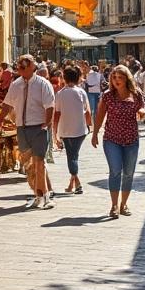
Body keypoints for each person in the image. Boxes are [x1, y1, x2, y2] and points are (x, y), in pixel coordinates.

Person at [0, 55, 57, 209]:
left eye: (24, 66)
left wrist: (47, 123)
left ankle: (45, 196)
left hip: (38, 127)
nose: (20, 69)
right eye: (19, 66)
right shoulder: (16, 84)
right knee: (29, 164)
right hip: (22, 128)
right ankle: (39, 195)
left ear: (33, 67)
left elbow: (50, 105)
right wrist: (0, 118)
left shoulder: (43, 84)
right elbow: (7, 103)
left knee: (39, 162)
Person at [91, 65, 142, 218]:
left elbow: (143, 109)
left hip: (131, 139)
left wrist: (142, 113)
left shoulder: (136, 94)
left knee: (128, 173)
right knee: (115, 171)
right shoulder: (107, 96)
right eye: (114, 77)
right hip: (112, 138)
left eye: (120, 77)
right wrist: (95, 133)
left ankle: (123, 204)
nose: (117, 80)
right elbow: (100, 115)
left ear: (127, 78)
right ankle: (114, 205)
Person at [53, 65, 93, 194]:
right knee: (73, 155)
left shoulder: (60, 94)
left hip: (66, 130)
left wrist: (55, 134)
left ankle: (78, 183)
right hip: (81, 130)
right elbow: (87, 112)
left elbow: (57, 115)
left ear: (64, 78)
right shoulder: (81, 92)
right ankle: (72, 183)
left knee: (71, 157)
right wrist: (90, 127)